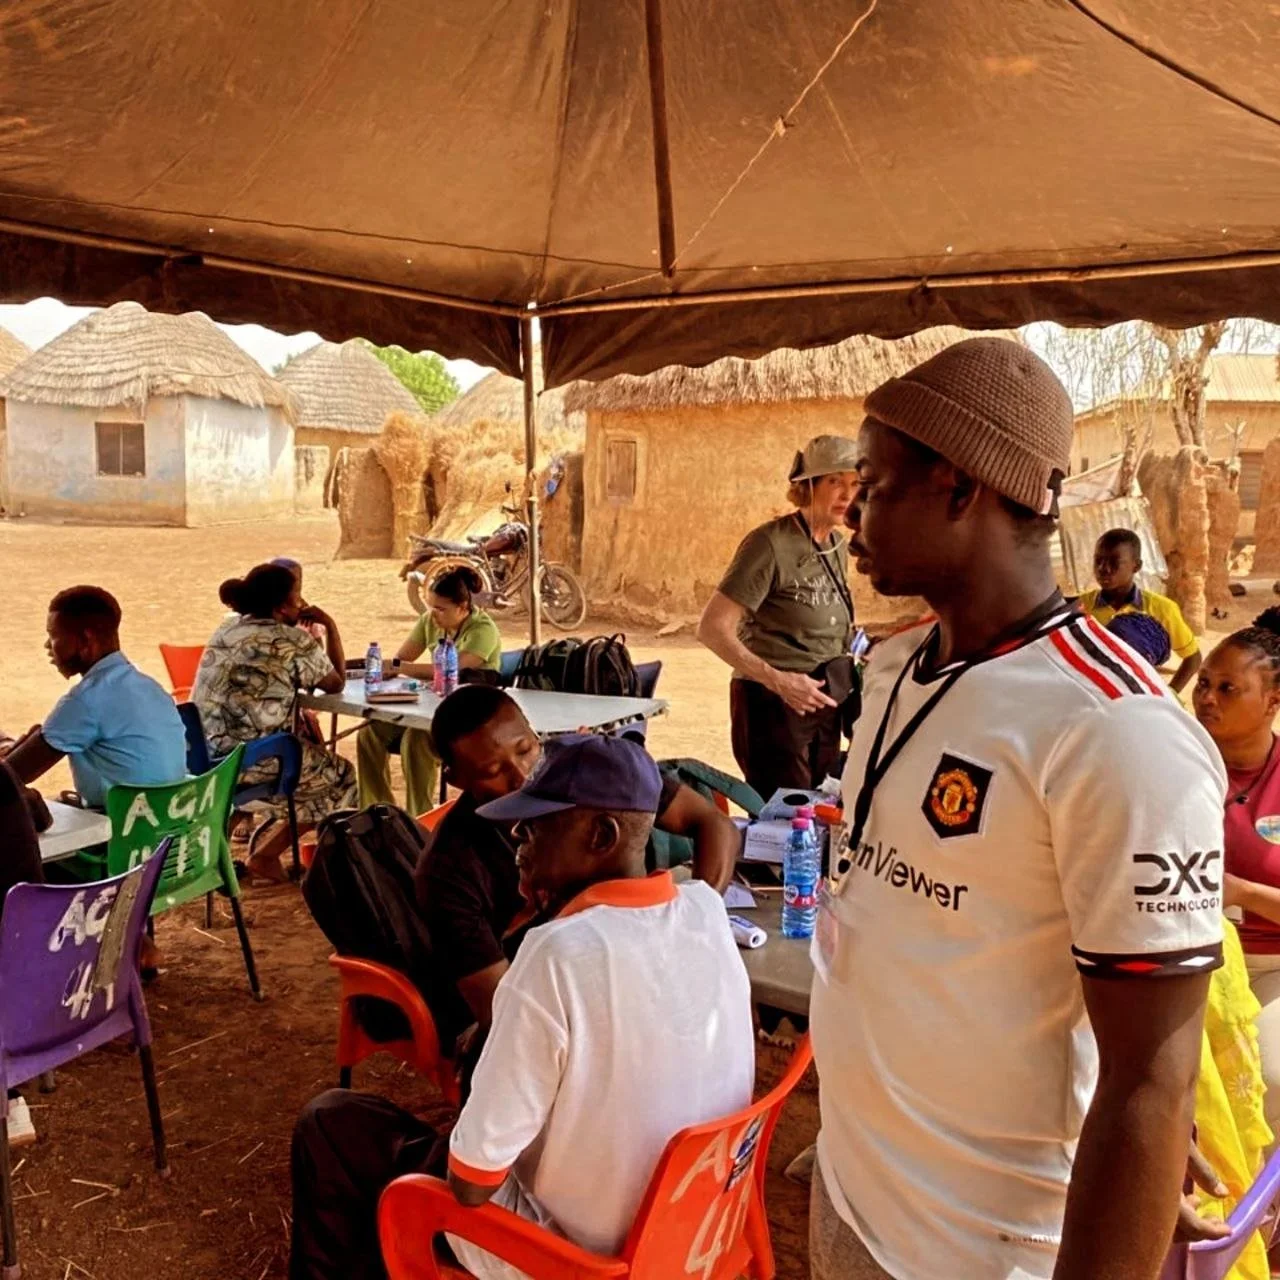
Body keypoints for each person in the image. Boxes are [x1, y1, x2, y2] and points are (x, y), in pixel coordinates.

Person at [814, 337, 1225, 1280]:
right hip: (855, 1189)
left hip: (981, 1250)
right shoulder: (894, 668)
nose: (853, 515)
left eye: (873, 485)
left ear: (959, 489)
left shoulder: (1112, 730)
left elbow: (1150, 1084)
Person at [289, 734, 754, 1280]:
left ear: (601, 835)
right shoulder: (703, 907)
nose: (517, 837)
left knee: (332, 1123)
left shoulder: (556, 955)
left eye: (536, 825)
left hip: (575, 1255)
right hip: (696, 1216)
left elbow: (471, 1181)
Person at [413, 685, 739, 1051]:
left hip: (627, 969)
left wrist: (695, 921)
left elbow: (713, 823)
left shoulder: (591, 774)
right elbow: (505, 1013)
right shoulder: (448, 872)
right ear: (456, 780)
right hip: (555, 1009)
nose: (522, 776)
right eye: (493, 771)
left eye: (526, 750)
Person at [697, 435, 859, 798]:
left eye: (854, 483)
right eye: (834, 481)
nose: (846, 495)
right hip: (774, 706)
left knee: (818, 810)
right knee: (783, 820)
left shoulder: (837, 546)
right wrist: (780, 682)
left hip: (824, 702)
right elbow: (712, 629)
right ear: (808, 485)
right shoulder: (769, 544)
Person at [193, 564, 354, 884]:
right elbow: (335, 684)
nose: (302, 604)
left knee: (306, 754)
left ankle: (214, 857)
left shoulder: (226, 629)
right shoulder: (292, 639)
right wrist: (330, 627)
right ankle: (267, 856)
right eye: (297, 599)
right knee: (342, 776)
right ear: (281, 606)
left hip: (203, 754)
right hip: (249, 760)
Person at [1192, 608, 1280, 1138]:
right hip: (1182, 961)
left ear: (1272, 701)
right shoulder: (1170, 761)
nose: (1207, 697)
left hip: (1269, 968)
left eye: (1228, 688)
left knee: (1271, 1078)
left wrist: (1240, 891)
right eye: (1204, 682)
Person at [6, 586, 187, 812]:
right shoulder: (149, 687)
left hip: (126, 834)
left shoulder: (85, 700)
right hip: (171, 824)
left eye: (53, 636)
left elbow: (10, 779)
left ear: (85, 639)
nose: (47, 646)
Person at [357, 566, 501, 816]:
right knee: (370, 733)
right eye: (431, 607)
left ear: (463, 607)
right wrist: (377, 669)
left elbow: (450, 668)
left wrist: (402, 667)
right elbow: (402, 658)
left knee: (417, 739)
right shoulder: (429, 621)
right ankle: (378, 813)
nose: (433, 615)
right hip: (429, 710)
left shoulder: (483, 630)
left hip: (467, 719)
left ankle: (419, 818)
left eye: (441, 609)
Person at [1080, 528, 1202, 692]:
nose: (1103, 569)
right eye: (1098, 561)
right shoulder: (1081, 607)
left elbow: (1193, 658)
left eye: (1114, 562)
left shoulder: (1162, 609)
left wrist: (1169, 694)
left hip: (1140, 697)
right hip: (1094, 695)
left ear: (1136, 566)